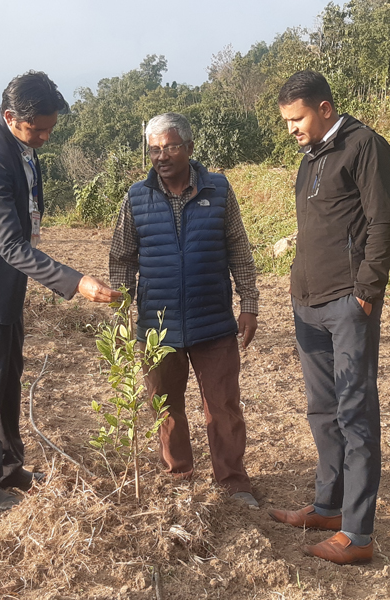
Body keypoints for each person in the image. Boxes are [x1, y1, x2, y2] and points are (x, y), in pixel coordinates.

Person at [0, 71, 120, 512]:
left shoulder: (14, 134)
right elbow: (8, 244)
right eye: (35, 129)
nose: (43, 137)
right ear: (9, 116)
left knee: (8, 376)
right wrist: (77, 281)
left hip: (5, 281)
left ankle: (8, 467)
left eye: (49, 129)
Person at [267, 71, 390, 564]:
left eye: (296, 118)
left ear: (324, 108)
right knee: (322, 412)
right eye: (286, 121)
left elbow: (385, 221)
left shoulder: (365, 146)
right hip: (308, 304)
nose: (291, 129)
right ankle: (328, 507)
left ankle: (358, 535)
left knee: (356, 415)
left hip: (348, 303)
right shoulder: (310, 158)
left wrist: (366, 292)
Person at [109, 112, 261, 507]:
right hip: (157, 327)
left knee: (223, 405)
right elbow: (122, 258)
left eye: (170, 146)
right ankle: (180, 477)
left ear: (190, 148)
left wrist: (249, 304)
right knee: (166, 405)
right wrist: (124, 313)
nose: (161, 156)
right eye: (154, 148)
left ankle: (233, 482)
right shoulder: (136, 197)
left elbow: (239, 251)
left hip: (213, 323)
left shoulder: (219, 191)